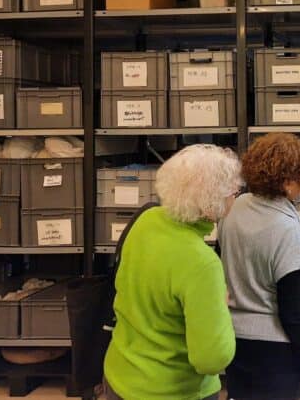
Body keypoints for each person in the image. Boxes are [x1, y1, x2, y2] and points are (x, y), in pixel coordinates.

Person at [103, 144, 241, 400]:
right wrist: (221, 309)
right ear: (212, 201)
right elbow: (212, 359)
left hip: (119, 375)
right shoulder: (202, 264)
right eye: (234, 191)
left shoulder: (146, 220)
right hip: (173, 390)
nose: (235, 197)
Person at [220, 133, 300, 400]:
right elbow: (294, 312)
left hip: (232, 339)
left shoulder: (235, 207)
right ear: (289, 183)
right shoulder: (285, 229)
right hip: (275, 352)